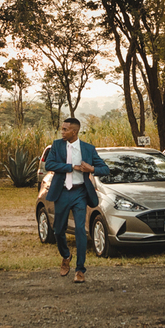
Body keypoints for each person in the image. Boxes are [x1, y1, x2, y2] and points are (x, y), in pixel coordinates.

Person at [43, 117, 110, 284]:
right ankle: (66, 255)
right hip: (62, 192)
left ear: (74, 131)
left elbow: (105, 169)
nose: (62, 131)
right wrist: (71, 167)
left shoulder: (88, 149)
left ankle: (80, 270)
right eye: (62, 129)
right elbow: (49, 165)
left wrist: (92, 168)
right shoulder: (57, 145)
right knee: (58, 230)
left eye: (65, 129)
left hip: (80, 192)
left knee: (80, 230)